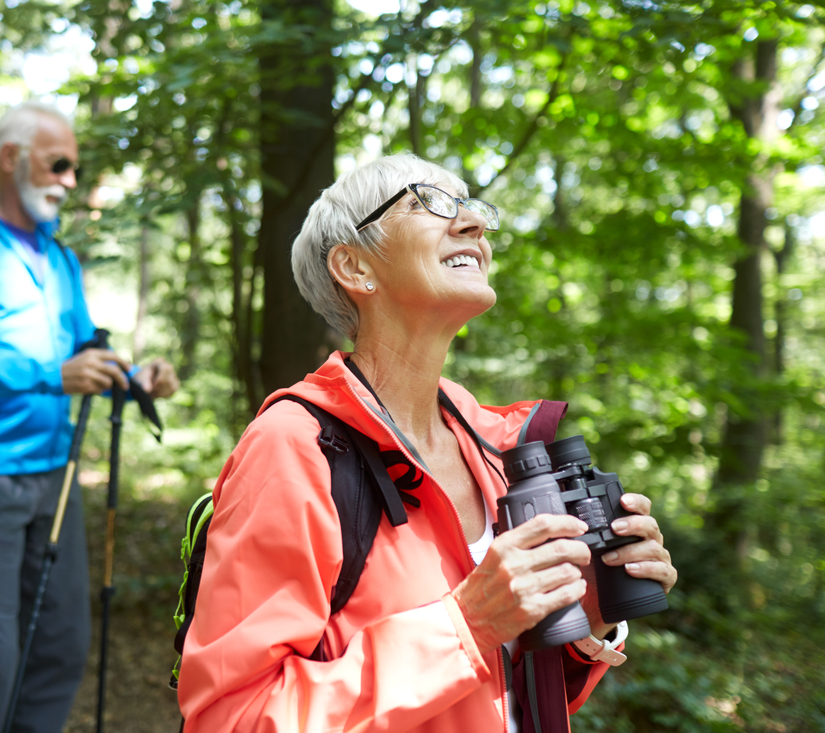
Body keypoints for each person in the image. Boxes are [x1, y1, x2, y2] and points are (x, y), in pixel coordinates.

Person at [177, 154, 677, 732]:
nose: (473, 226)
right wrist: (466, 625)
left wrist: (583, 613)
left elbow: (501, 698)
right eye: (432, 204)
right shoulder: (294, 449)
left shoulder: (492, 447)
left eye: (473, 211)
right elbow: (232, 719)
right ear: (355, 266)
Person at [0, 101, 179, 733]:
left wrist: (134, 381)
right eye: (59, 164)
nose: (70, 181)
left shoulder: (59, 261)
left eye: (75, 169)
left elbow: (85, 354)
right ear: (11, 159)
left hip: (56, 478)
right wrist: (48, 377)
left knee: (59, 646)